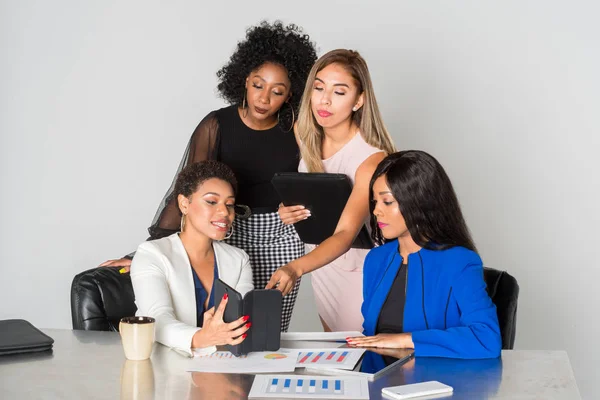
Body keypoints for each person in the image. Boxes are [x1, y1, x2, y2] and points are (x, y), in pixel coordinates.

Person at [101, 21, 317, 331]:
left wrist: (297, 206)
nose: (264, 97)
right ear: (244, 80)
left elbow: (320, 182)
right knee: (224, 327)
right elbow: (187, 190)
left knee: (269, 331)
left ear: (290, 94)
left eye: (277, 91)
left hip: (280, 237)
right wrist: (149, 251)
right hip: (228, 229)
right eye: (258, 85)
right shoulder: (216, 125)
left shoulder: (296, 129)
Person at [268, 49, 396, 332]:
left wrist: (295, 268)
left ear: (359, 100)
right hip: (322, 265)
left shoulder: (370, 159)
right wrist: (289, 209)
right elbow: (316, 200)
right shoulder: (304, 133)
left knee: (360, 357)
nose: (324, 100)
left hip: (360, 270)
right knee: (336, 357)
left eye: (339, 92)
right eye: (318, 88)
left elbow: (345, 233)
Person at [346, 151, 502, 359]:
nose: (376, 211)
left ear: (419, 201)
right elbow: (371, 337)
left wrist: (405, 339)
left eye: (387, 202)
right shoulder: (376, 259)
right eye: (375, 202)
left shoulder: (460, 262)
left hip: (435, 383)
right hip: (376, 382)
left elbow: (487, 339)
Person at [131, 161, 253, 357]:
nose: (224, 212)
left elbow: (242, 320)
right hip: (166, 370)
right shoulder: (152, 254)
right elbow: (157, 320)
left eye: (229, 204)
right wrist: (202, 338)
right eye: (212, 202)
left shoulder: (238, 260)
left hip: (222, 368)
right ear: (184, 204)